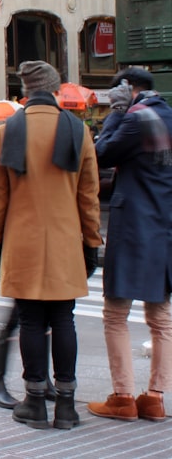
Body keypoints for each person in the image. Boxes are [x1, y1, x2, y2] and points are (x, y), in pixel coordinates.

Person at [0, 60, 102, 430]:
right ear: (55, 91)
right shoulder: (77, 131)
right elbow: (89, 197)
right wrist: (91, 244)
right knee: (63, 319)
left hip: (21, 242)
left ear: (25, 93)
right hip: (67, 240)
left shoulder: (7, 131)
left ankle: (34, 402)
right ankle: (66, 406)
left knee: (32, 321)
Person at [88, 67, 172, 423]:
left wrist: (117, 114)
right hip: (165, 229)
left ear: (127, 89)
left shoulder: (136, 120)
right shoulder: (168, 116)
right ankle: (155, 398)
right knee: (162, 320)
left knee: (115, 315)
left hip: (133, 226)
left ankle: (122, 397)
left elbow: (101, 154)